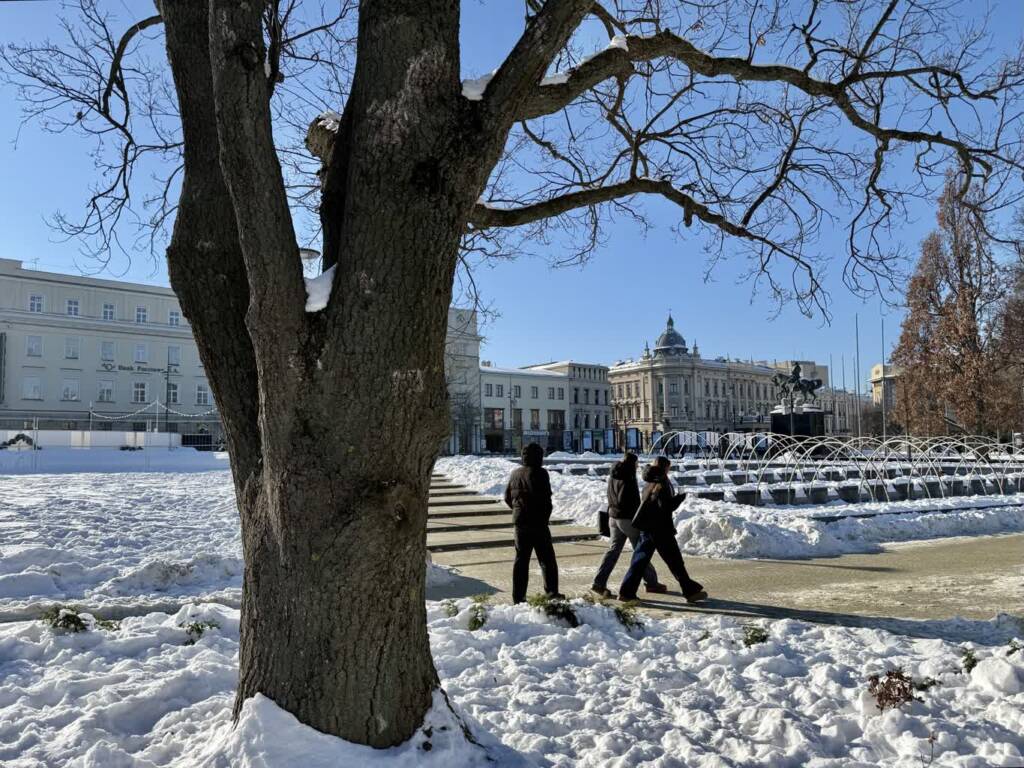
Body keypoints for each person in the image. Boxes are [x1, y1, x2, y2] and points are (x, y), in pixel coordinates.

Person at [618, 456, 707, 603]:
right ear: (666, 468)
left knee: (640, 562)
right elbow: (665, 506)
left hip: (648, 528)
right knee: (675, 561)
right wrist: (679, 498)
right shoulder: (661, 482)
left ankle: (626, 592)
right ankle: (690, 591)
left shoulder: (649, 480)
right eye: (668, 468)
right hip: (660, 529)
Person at [591, 452, 667, 598]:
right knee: (641, 551)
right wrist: (638, 516)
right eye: (637, 464)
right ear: (633, 463)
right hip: (627, 519)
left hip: (613, 517)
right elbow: (630, 500)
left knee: (613, 551)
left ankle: (598, 583)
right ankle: (651, 583)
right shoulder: (629, 477)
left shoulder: (614, 474)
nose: (638, 466)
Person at [504, 442, 562, 604]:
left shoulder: (515, 473)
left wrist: (518, 510)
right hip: (537, 523)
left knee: (521, 560)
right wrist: (544, 517)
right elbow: (545, 499)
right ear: (538, 457)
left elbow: (507, 497)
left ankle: (518, 597)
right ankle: (551, 593)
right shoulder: (540, 473)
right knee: (547, 560)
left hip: (520, 522)